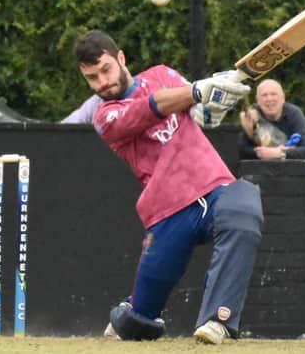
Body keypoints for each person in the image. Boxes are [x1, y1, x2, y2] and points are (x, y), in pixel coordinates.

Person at [72, 30, 263, 345]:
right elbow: (151, 107)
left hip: (215, 189)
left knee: (244, 207)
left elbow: (199, 113)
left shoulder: (162, 74)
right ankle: (127, 313)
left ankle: (218, 319)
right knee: (138, 323)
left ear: (120, 58)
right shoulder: (105, 117)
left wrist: (213, 103)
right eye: (91, 78)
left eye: (105, 70)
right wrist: (197, 91)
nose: (102, 82)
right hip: (168, 213)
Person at [238, 78, 305, 160]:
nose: (269, 99)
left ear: (283, 98)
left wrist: (279, 153)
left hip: (290, 170)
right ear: (258, 100)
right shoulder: (251, 116)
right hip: (259, 169)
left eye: (273, 94)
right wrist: (260, 153)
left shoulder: (294, 113)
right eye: (264, 95)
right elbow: (242, 150)